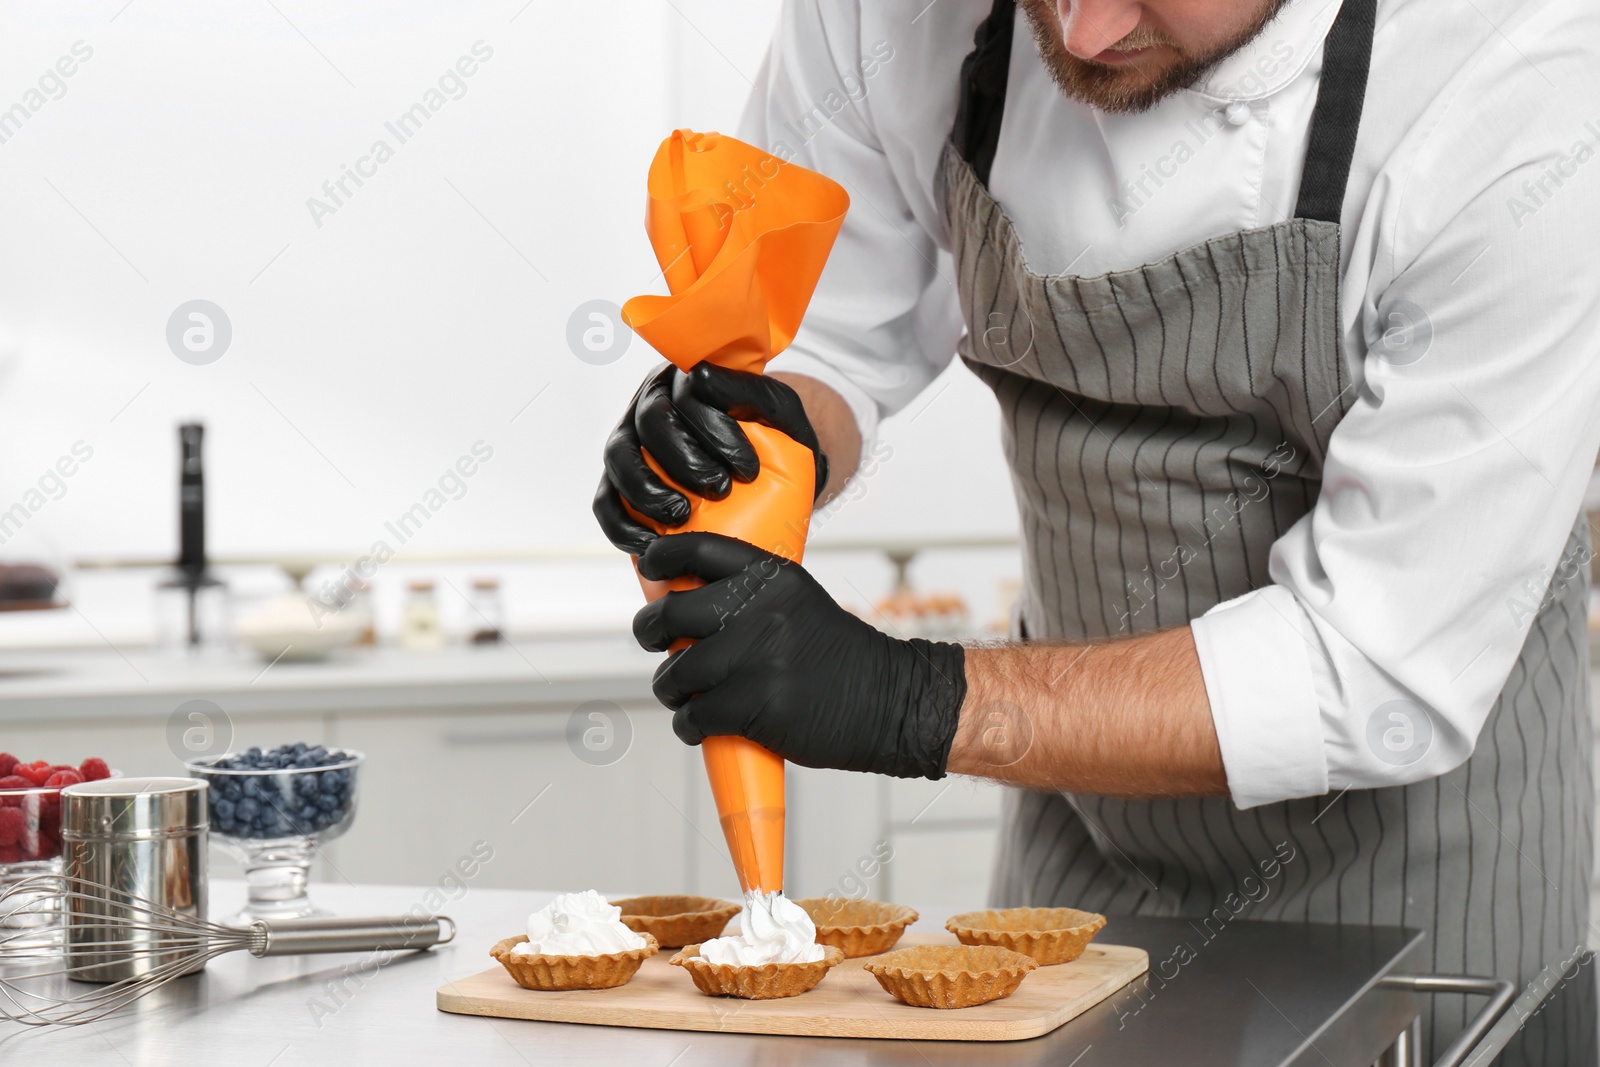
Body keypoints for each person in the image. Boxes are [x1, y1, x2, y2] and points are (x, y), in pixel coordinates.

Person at [593, 1, 1600, 1060]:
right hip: (1076, 858)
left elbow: (1375, 662)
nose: (1077, 34)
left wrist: (913, 699)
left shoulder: (1517, 85)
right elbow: (832, 331)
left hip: (1418, 882)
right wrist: (755, 435)